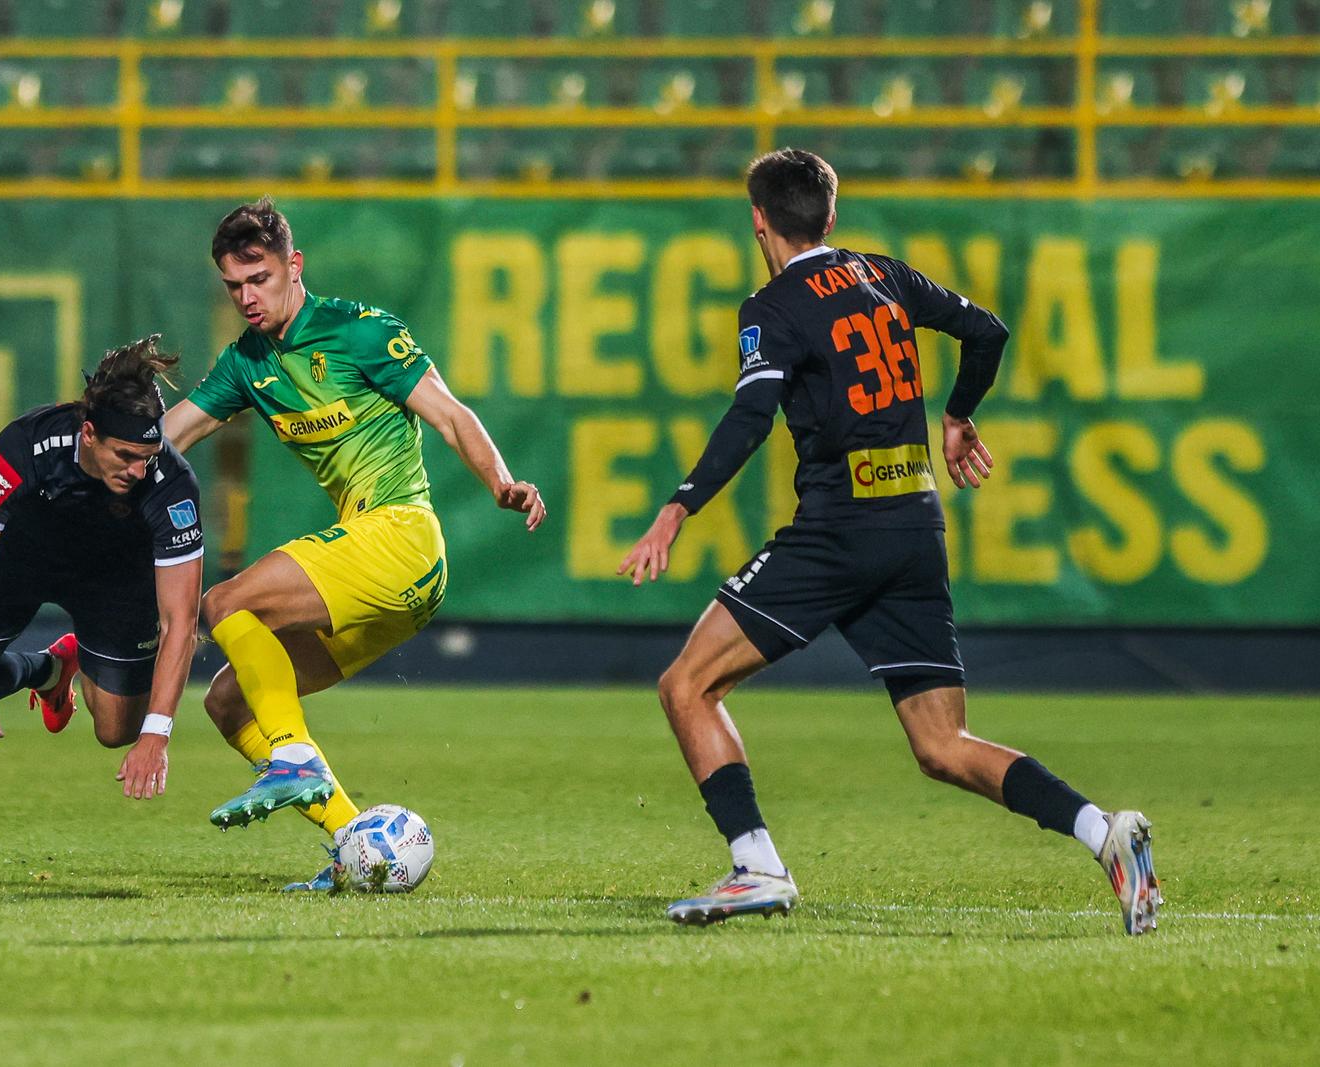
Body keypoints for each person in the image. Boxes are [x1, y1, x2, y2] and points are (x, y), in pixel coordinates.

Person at [619, 149, 1160, 935]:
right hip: (915, 525)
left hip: (840, 529)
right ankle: (1104, 832)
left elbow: (749, 416)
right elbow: (986, 330)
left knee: (686, 686)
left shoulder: (772, 307)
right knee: (943, 743)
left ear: (758, 219)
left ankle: (757, 864)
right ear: (831, 216)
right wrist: (958, 412)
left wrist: (679, 505)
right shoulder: (885, 275)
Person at [164, 198, 545, 889]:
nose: (248, 297)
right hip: (388, 582)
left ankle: (295, 758)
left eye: (260, 278)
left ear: (294, 266)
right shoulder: (246, 364)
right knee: (228, 702)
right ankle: (352, 842)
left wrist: (501, 481)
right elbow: (168, 438)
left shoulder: (358, 331)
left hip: (401, 536)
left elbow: (451, 413)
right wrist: (92, 459)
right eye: (234, 286)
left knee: (223, 602)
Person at [0, 335, 204, 801]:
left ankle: (76, 664)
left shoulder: (172, 485)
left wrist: (157, 735)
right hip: (22, 560)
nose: (139, 471)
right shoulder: (26, 445)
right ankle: (49, 670)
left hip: (114, 577)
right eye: (125, 456)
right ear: (89, 434)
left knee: (117, 730)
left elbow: (181, 620)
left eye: (148, 457)